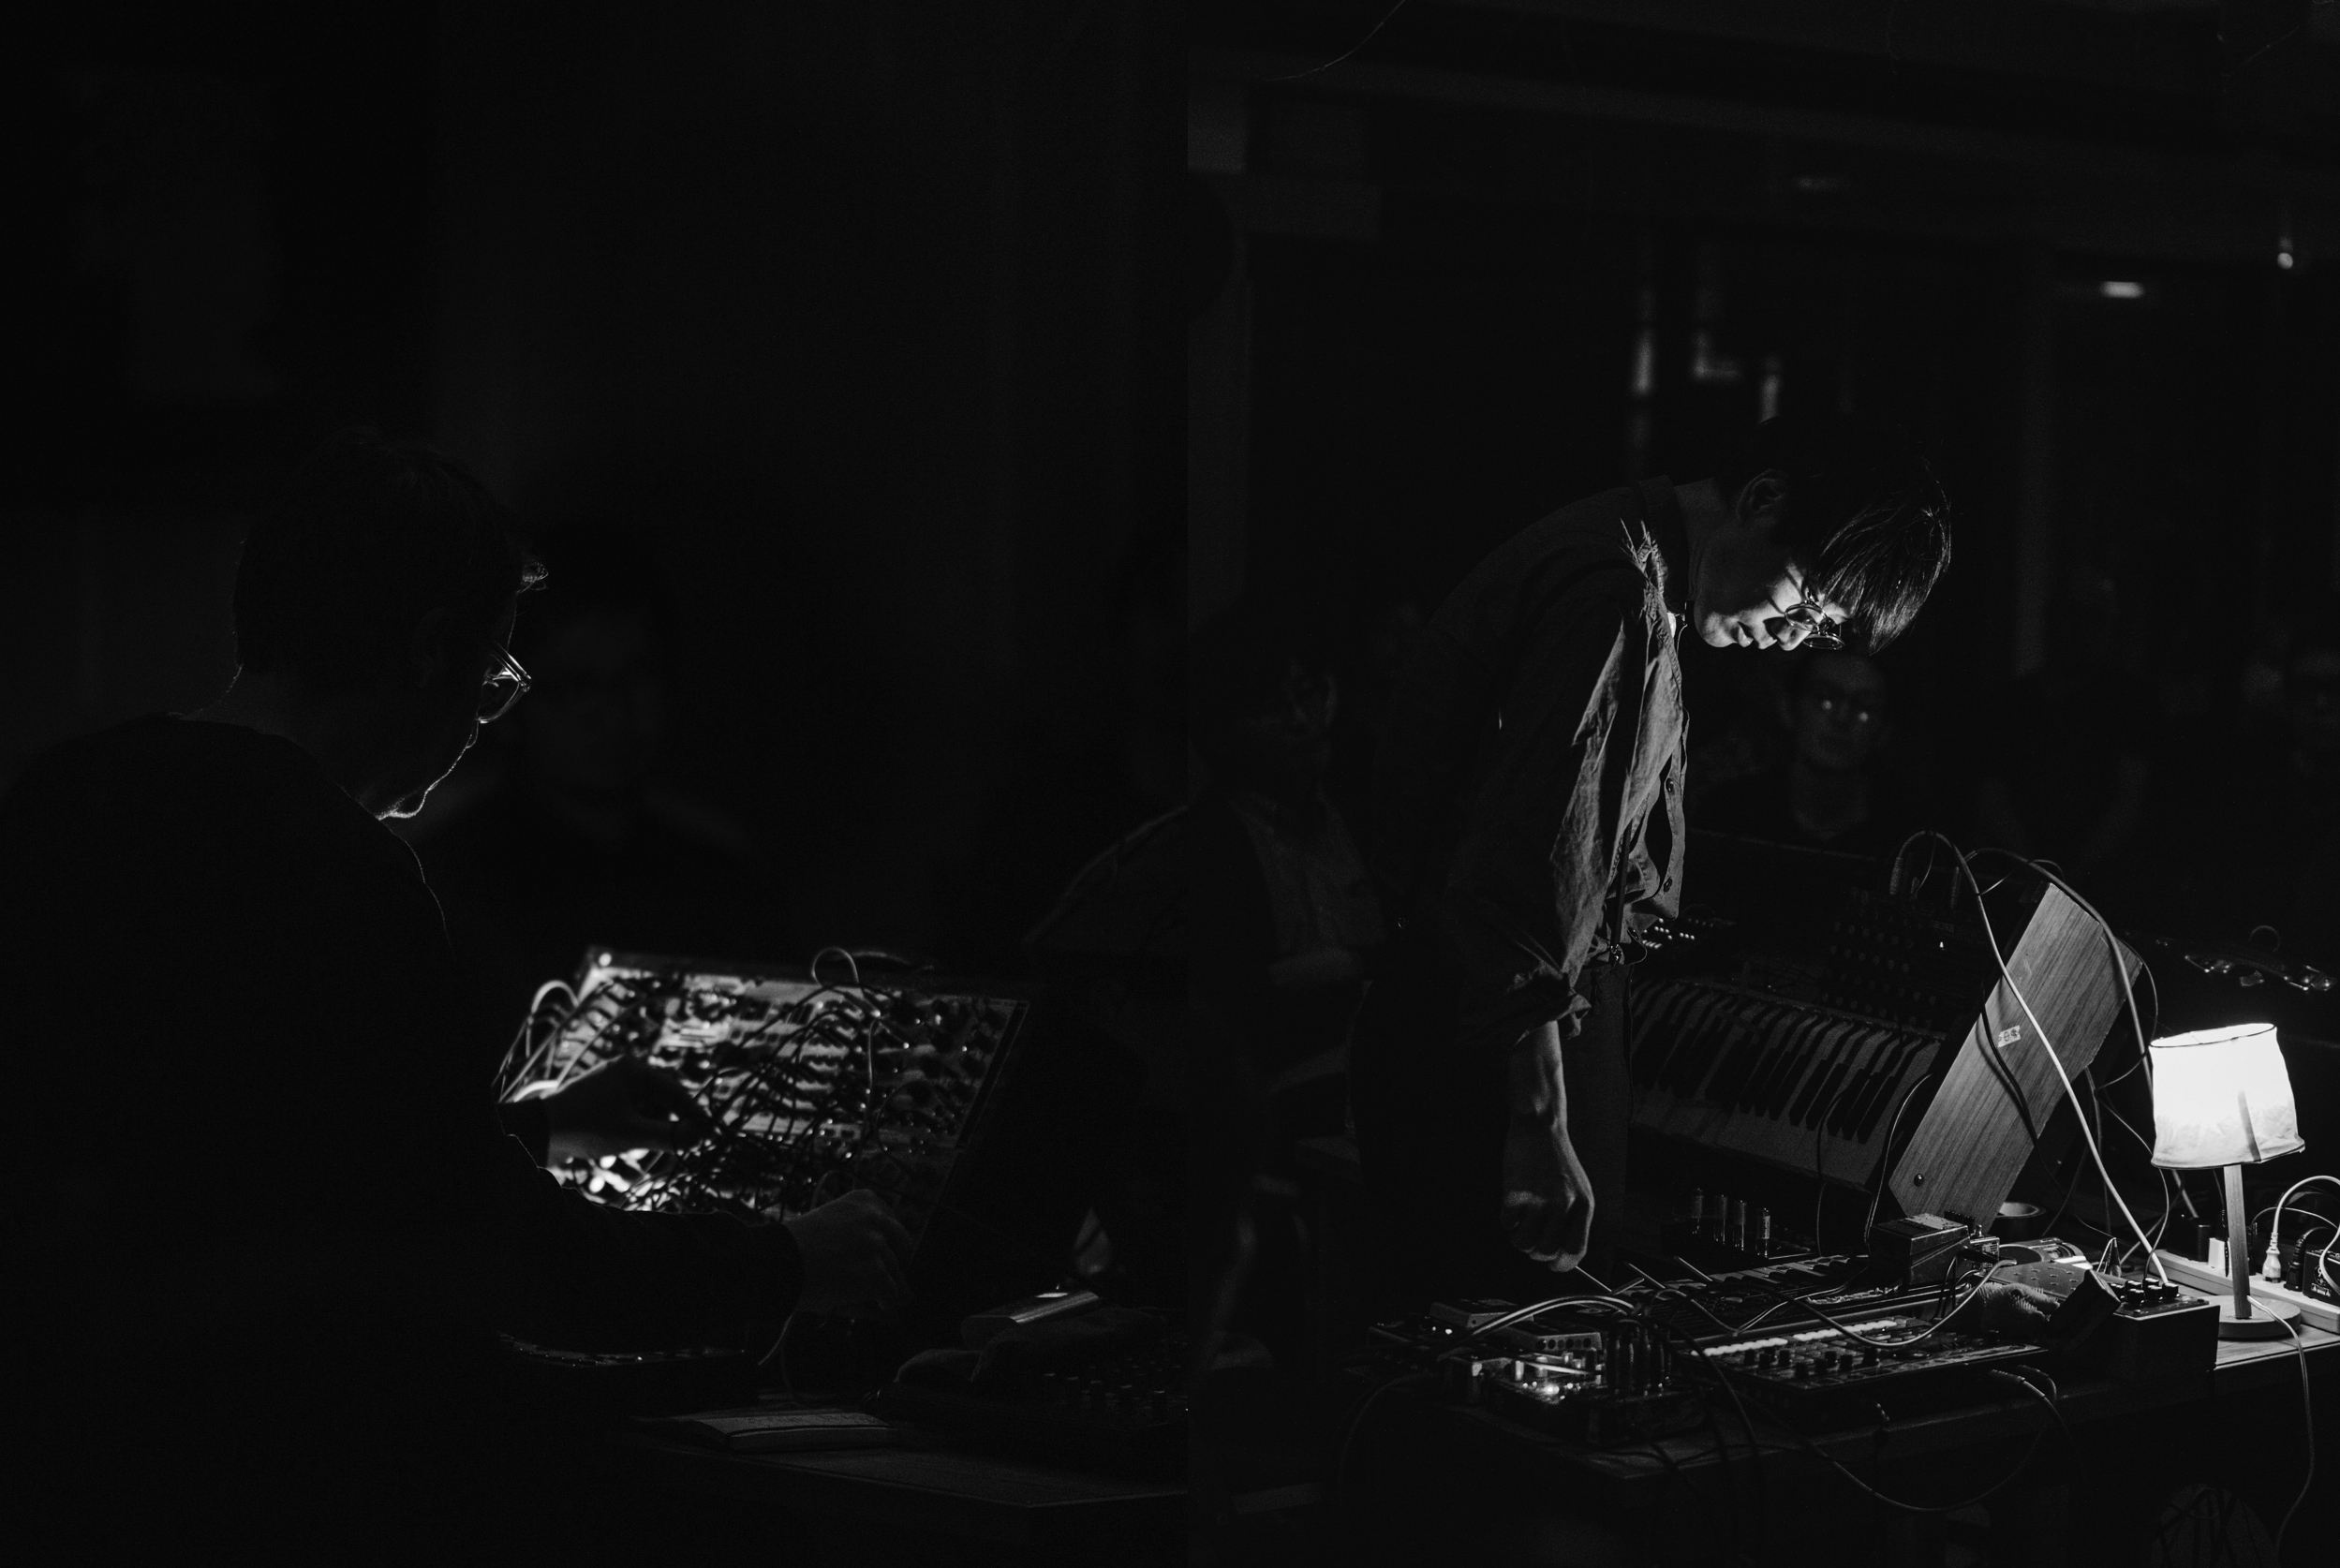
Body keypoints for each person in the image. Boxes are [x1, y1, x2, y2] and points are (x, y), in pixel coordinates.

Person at [2, 430, 911, 1553]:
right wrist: (792, 1260)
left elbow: (248, 1163)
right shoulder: (342, 872)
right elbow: (507, 1259)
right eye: (494, 682)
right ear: (432, 652)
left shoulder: (63, 798)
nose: (482, 720)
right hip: (245, 1472)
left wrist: (539, 1126)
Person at [1352, 414, 1952, 1305]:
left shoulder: (1632, 575)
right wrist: (1539, 1121)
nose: (1793, 639)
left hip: (1480, 1022)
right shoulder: (1613, 598)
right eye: (1803, 604)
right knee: (1515, 1339)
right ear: (1764, 499)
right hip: (1489, 1046)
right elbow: (1521, 882)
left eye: (1819, 631)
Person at [403, 525, 793, 1043]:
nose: (614, 713)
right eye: (578, 686)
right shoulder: (444, 888)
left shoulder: (721, 877)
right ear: (510, 700)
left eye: (635, 677)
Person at [1696, 649, 1921, 857]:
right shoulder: (1731, 813)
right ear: (1788, 707)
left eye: (1865, 707)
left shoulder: (1909, 832)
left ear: (1884, 730)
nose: (1842, 718)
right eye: (1825, 699)